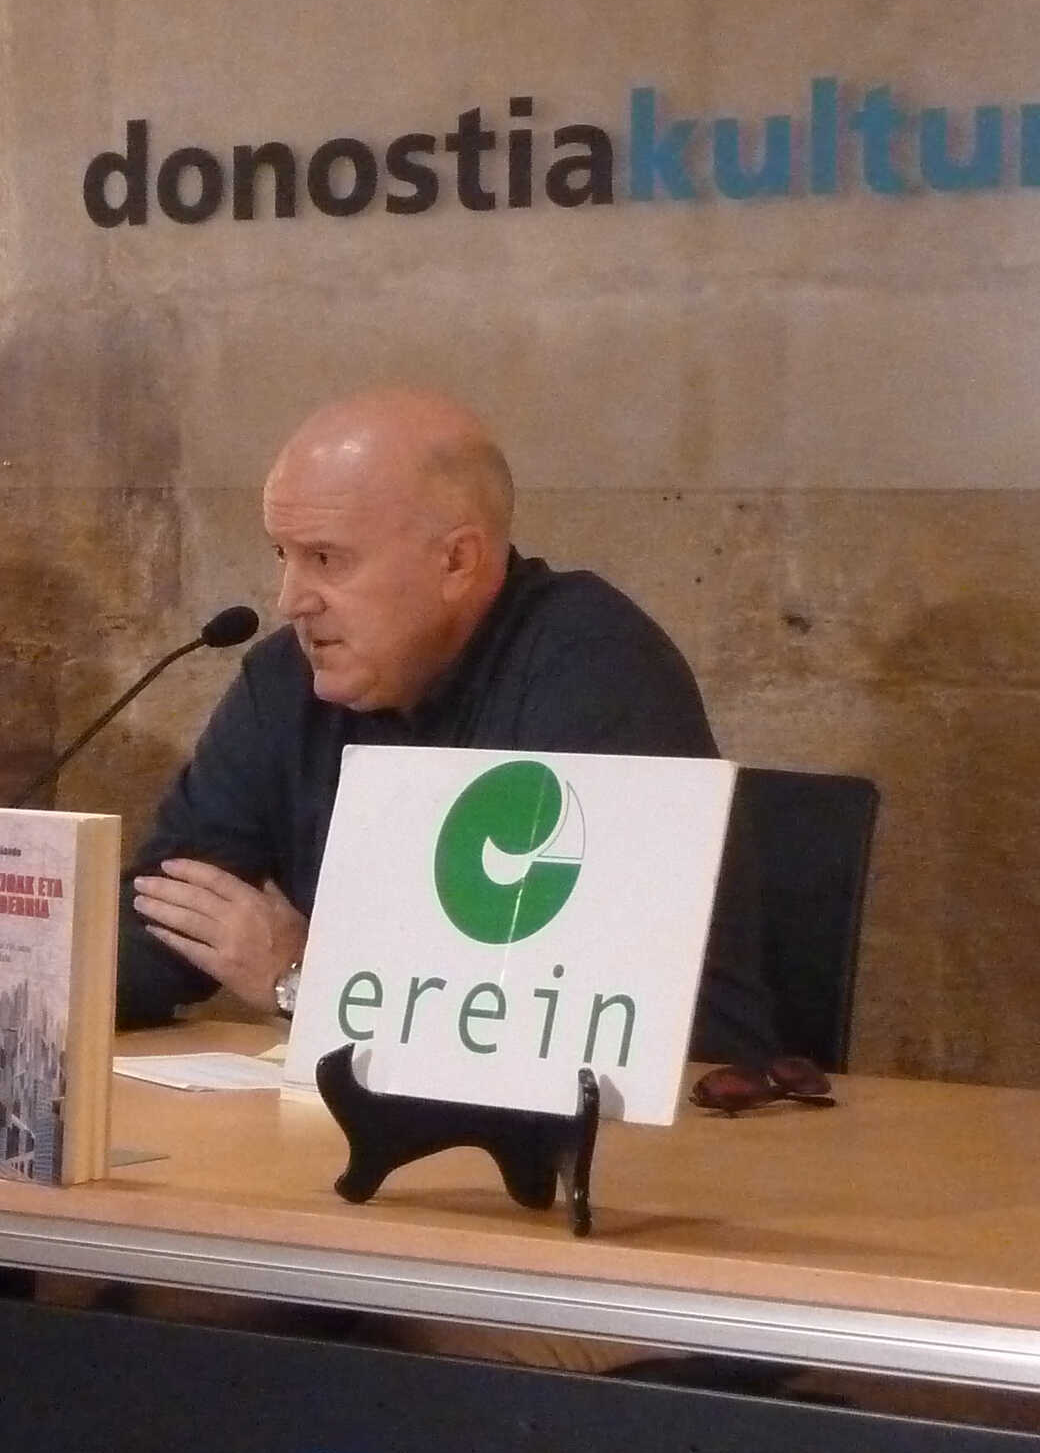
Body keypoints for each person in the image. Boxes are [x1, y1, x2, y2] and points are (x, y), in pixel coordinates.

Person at [119, 385, 778, 1060]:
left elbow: (613, 1013)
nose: (291, 601)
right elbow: (163, 922)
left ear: (457, 561)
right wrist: (49, 958)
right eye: (282, 555)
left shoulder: (597, 672)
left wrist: (306, 980)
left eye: (327, 559)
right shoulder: (286, 683)